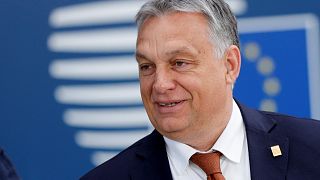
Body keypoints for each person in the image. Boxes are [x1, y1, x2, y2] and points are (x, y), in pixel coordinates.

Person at [81, 0, 320, 179]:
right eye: (147, 66)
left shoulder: (313, 147)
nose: (160, 84)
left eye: (179, 63)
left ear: (230, 65)